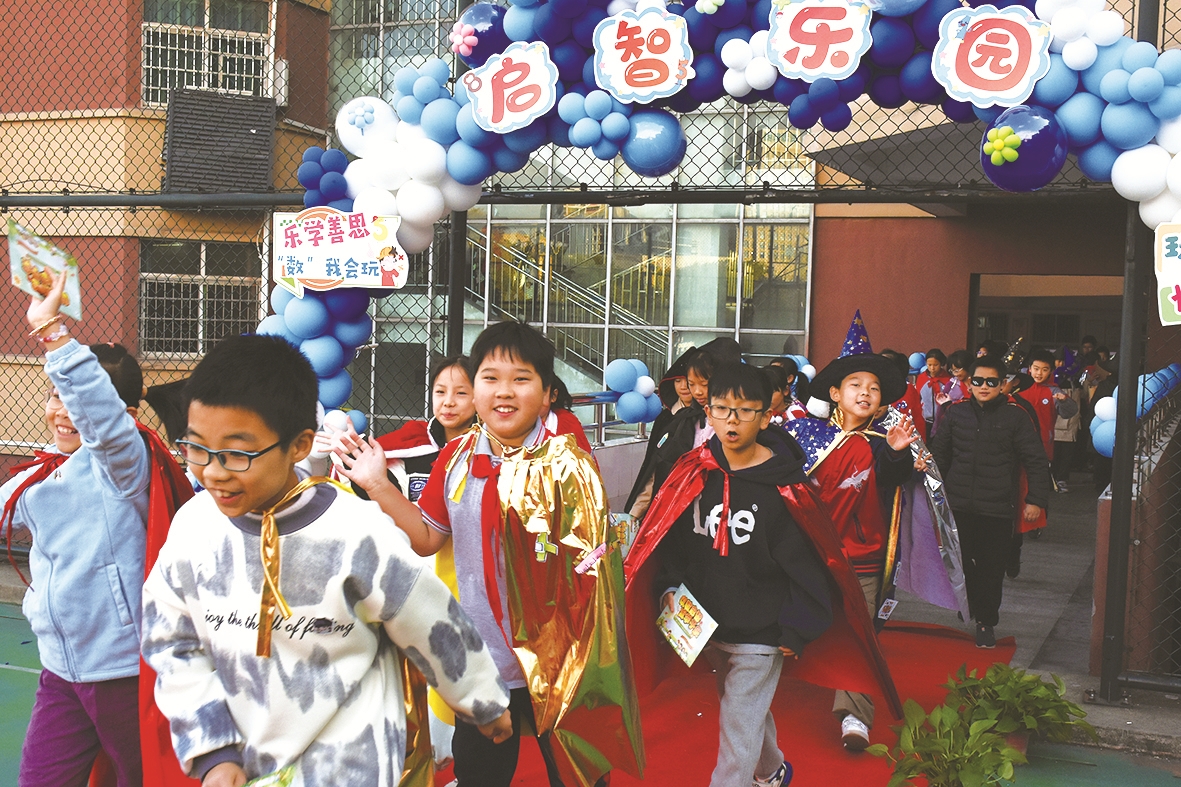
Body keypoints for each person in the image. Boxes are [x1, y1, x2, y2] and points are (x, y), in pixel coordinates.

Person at [140, 334, 513, 785]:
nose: (214, 471)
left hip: (350, 764)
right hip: (247, 762)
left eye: (237, 453)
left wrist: (481, 700)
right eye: (197, 448)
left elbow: (430, 618)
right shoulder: (194, 528)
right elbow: (170, 640)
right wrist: (212, 749)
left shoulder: (357, 531)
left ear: (300, 445)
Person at [331, 320, 644, 787]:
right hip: (484, 662)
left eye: (521, 379)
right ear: (476, 389)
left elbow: (593, 564)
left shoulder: (570, 463)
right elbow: (427, 538)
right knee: (480, 775)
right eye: (490, 378)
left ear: (547, 394)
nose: (504, 391)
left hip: (563, 660)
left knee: (578, 776)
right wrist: (377, 483)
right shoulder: (455, 458)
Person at [623, 363, 898, 787]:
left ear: (766, 416)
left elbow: (809, 560)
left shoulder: (786, 488)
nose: (732, 420)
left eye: (745, 410)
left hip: (763, 631)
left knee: (738, 720)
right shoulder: (693, 471)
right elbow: (670, 542)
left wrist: (796, 626)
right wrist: (668, 588)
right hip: (707, 623)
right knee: (742, 712)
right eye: (722, 409)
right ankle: (771, 772)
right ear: (708, 412)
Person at [5, 272, 192, 787]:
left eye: (78, 402)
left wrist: (53, 334)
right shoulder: (40, 473)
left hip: (121, 671)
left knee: (145, 779)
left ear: (124, 415)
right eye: (55, 396)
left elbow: (102, 423)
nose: (64, 412)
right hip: (60, 668)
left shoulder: (124, 464)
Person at [785, 313, 920, 752]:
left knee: (860, 635)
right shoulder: (803, 436)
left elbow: (894, 479)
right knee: (790, 625)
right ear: (835, 393)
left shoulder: (884, 441)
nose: (865, 392)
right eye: (856, 384)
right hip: (808, 557)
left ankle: (854, 715)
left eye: (874, 388)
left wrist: (898, 454)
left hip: (862, 559)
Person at [929, 356, 1050, 649]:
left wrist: (1035, 500)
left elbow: (1035, 460)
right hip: (958, 505)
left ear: (1003, 384)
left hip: (997, 508)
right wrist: (932, 497)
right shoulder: (955, 413)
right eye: (978, 381)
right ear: (969, 384)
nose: (984, 386)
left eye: (991, 382)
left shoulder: (1016, 416)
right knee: (960, 563)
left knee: (991, 570)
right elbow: (939, 457)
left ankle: (986, 622)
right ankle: (970, 602)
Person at [625, 338, 743, 520]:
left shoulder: (739, 422)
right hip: (683, 511)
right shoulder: (683, 420)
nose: (696, 391)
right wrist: (638, 513)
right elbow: (659, 469)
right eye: (691, 383)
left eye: (704, 384)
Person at [915, 349, 950, 435]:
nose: (932, 368)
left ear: (941, 364)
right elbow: (917, 398)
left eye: (935, 365)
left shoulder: (948, 379)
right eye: (929, 365)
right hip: (925, 420)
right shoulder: (921, 378)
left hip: (943, 420)